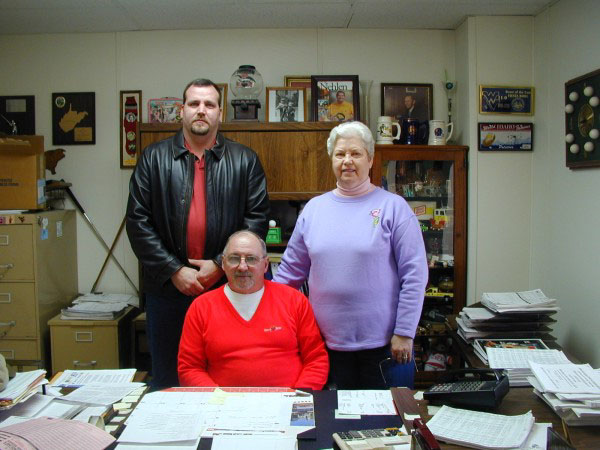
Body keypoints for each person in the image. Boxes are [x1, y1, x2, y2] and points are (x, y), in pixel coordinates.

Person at [126, 78, 270, 388]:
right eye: (194, 104)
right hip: (168, 289)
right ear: (182, 111)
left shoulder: (245, 160)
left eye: (209, 104)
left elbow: (256, 221)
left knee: (226, 374)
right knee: (168, 377)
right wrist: (174, 269)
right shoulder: (153, 158)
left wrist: (219, 264)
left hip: (227, 286)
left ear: (220, 112)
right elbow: (137, 221)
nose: (201, 110)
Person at [273, 121, 428, 389]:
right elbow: (289, 273)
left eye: (355, 153)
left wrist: (405, 331)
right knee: (330, 421)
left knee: (380, 424)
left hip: (383, 345)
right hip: (323, 344)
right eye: (340, 154)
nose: (347, 161)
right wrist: (266, 316)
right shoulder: (313, 210)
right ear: (331, 159)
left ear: (370, 159)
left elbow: (415, 274)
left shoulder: (394, 208)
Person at [178, 231, 329, 389]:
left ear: (265, 265)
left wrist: (297, 399)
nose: (242, 267)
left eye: (251, 259)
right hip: (223, 407)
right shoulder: (201, 307)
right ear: (223, 263)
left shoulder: (294, 301)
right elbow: (190, 368)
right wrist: (218, 401)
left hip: (288, 404)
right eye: (234, 258)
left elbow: (316, 360)